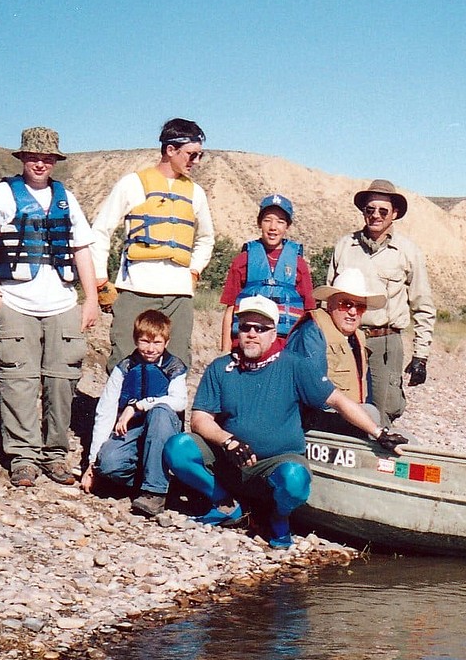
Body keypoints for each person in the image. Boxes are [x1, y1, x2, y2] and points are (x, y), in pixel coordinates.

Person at [163, 295, 407, 548]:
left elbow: (339, 402)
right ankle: (224, 503)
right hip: (229, 459)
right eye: (246, 326)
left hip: (275, 464)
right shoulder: (221, 367)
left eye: (261, 328)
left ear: (273, 333)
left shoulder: (294, 366)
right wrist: (227, 440)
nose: (252, 334)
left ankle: (278, 518)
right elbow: (200, 418)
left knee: (295, 479)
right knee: (177, 448)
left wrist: (379, 433)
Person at [0, 126, 100, 487]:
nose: (40, 163)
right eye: (33, 157)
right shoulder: (0, 195)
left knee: (62, 381)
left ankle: (55, 455)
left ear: (55, 161)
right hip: (15, 301)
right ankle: (23, 458)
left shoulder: (67, 199)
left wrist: (90, 299)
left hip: (62, 303)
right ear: (23, 158)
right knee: (19, 381)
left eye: (47, 158)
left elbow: (81, 250)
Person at [89, 118, 214, 371]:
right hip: (135, 291)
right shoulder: (131, 184)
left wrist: (194, 270)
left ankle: (167, 413)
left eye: (199, 155)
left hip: (178, 296)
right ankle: (123, 411)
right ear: (170, 150)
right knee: (124, 364)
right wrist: (101, 282)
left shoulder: (196, 193)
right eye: (191, 155)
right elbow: (100, 230)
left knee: (176, 366)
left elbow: (206, 238)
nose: (196, 162)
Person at [328, 179, 436, 425]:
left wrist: (421, 356)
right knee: (340, 406)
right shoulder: (345, 246)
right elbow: (329, 300)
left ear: (394, 214)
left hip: (385, 343)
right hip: (347, 341)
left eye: (383, 211)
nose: (375, 215)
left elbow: (423, 306)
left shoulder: (408, 251)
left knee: (383, 413)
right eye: (370, 209)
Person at [81, 309, 187, 517]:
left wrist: (138, 405)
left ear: (166, 342)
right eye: (144, 342)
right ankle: (147, 478)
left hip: (163, 429)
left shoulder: (174, 367)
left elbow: (179, 402)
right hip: (132, 430)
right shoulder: (125, 368)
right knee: (109, 465)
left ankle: (154, 491)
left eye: (157, 343)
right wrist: (92, 463)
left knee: (160, 412)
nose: (150, 349)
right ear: (135, 340)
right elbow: (105, 412)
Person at [287, 267, 386, 436]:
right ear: (330, 304)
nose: (353, 312)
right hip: (315, 420)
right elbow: (313, 392)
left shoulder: (358, 338)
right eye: (346, 304)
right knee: (371, 413)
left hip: (349, 417)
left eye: (360, 307)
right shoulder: (312, 332)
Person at [217, 193, 314, 351]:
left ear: (287, 226)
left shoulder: (299, 264)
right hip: (246, 346)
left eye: (280, 222)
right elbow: (229, 310)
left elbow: (310, 313)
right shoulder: (242, 260)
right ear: (259, 223)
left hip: (286, 348)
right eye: (267, 220)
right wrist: (226, 351)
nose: (273, 227)